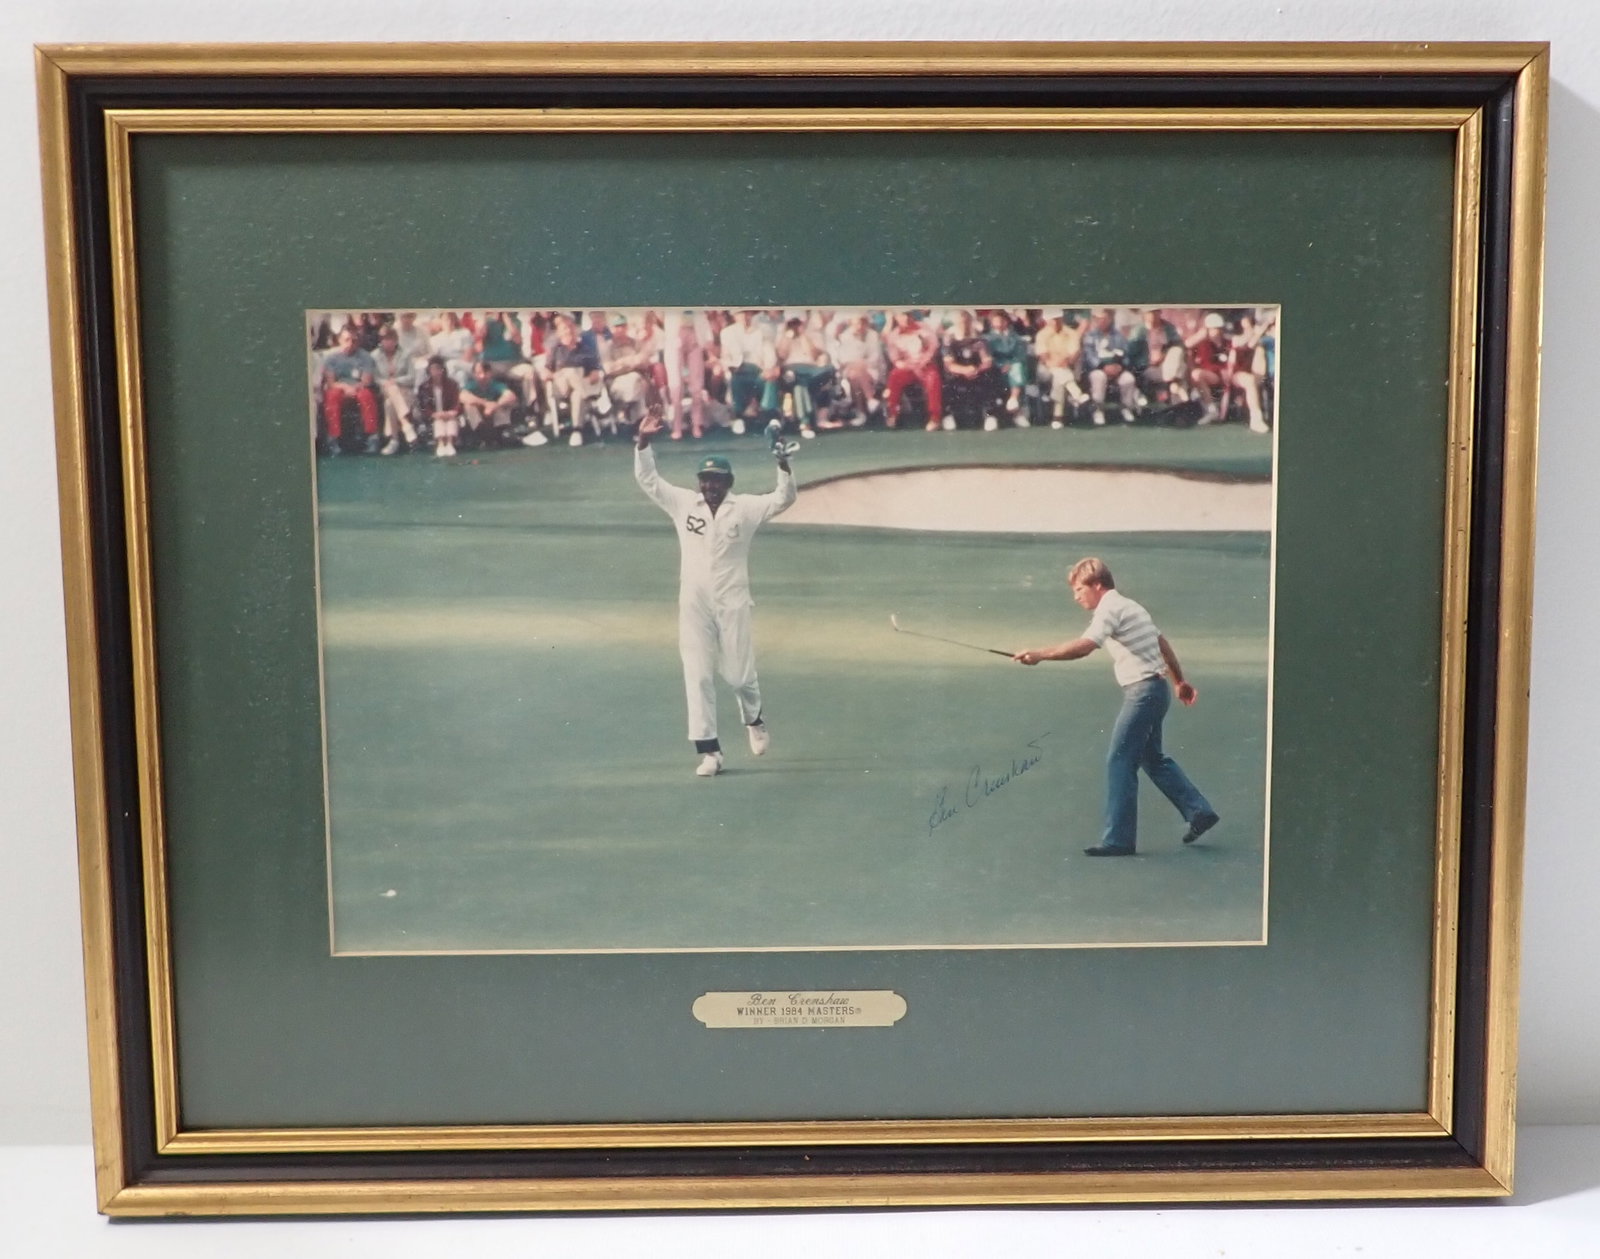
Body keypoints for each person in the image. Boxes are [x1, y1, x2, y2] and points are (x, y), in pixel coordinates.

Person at [1012, 557, 1218, 856]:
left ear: (1097, 585)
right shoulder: (1131, 606)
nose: (1076, 596)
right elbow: (1162, 643)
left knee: (1119, 760)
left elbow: (1085, 646)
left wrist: (1039, 654)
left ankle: (1119, 840)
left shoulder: (1108, 609)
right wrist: (1179, 681)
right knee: (1152, 758)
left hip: (1143, 693)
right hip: (1157, 690)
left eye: (1080, 589)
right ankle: (1198, 811)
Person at [634, 406, 797, 778]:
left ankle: (754, 719)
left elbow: (783, 499)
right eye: (705, 479)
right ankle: (709, 751)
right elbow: (649, 480)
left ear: (729, 482)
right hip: (693, 602)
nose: (709, 486)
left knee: (739, 676)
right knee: (698, 673)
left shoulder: (746, 508)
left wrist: (784, 465)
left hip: (733, 600)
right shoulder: (682, 504)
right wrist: (643, 441)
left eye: (716, 480)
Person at [319, 324, 381, 455]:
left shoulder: (365, 356)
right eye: (346, 339)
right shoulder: (331, 358)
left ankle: (372, 437)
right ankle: (333, 438)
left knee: (366, 395)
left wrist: (354, 388)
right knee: (331, 396)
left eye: (353, 340)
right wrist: (345, 388)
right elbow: (331, 382)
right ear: (340, 340)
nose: (350, 343)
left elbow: (367, 380)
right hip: (340, 388)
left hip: (359, 387)